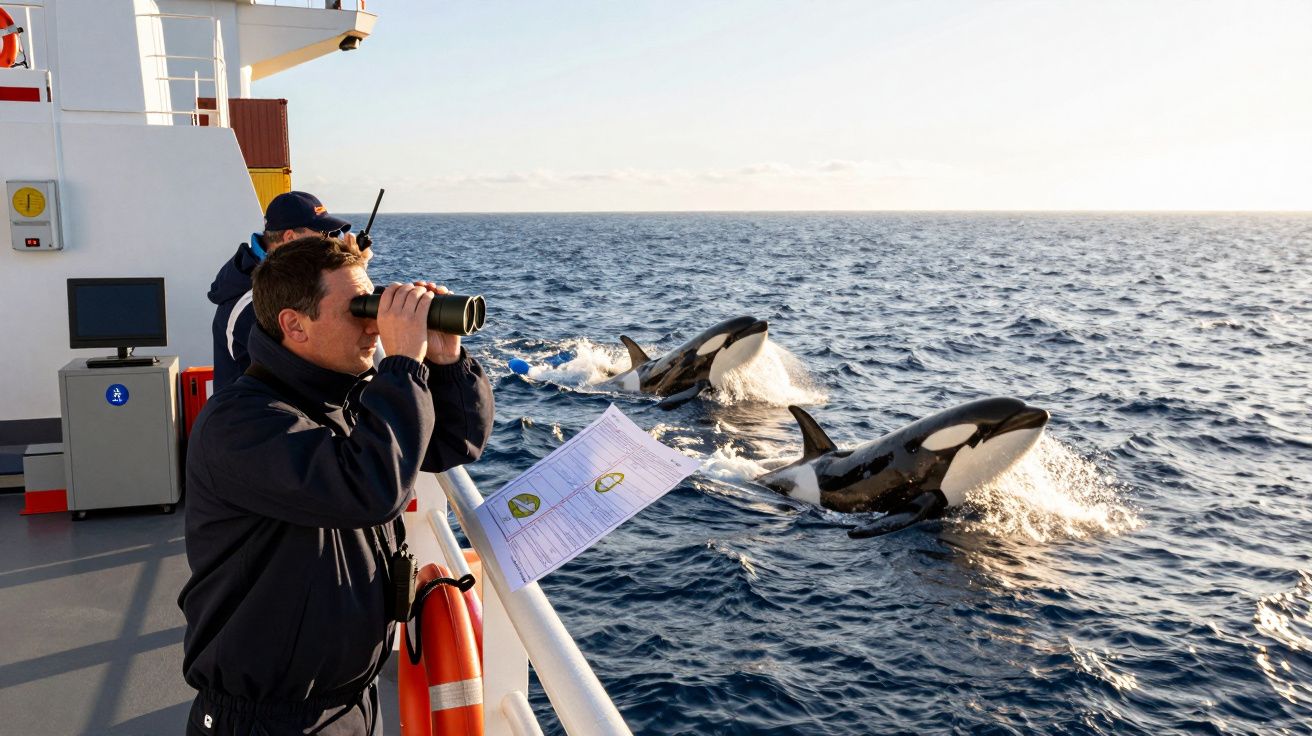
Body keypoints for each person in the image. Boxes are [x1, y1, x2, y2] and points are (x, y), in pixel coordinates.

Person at [178, 235, 493, 735]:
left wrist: (442, 359)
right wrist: (402, 365)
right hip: (267, 719)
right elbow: (369, 488)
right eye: (358, 311)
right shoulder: (241, 423)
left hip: (350, 701)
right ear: (294, 325)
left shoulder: (342, 398)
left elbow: (451, 444)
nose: (374, 326)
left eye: (374, 305)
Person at [209, 191, 373, 392]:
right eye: (324, 235)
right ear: (290, 238)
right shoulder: (252, 302)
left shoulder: (265, 283)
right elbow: (312, 361)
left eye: (334, 235)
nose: (334, 242)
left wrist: (353, 272)